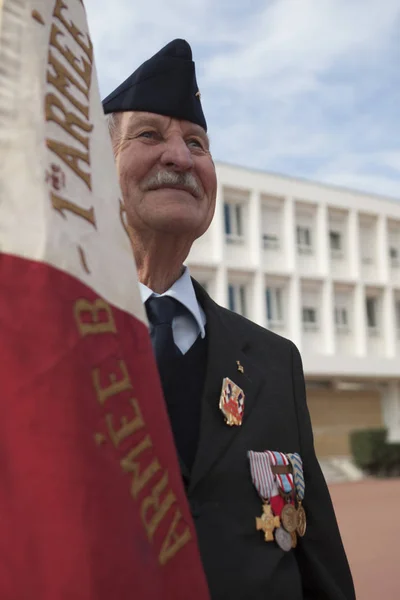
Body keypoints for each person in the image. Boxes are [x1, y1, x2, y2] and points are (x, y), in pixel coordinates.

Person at [102, 39, 356, 600]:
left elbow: (319, 561)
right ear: (99, 169)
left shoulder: (273, 361)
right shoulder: (41, 338)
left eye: (197, 143)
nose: (181, 157)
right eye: (150, 135)